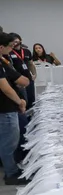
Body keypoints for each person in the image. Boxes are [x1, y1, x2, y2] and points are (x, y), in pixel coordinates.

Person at [0, 33, 27, 184]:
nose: (11, 49)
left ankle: (13, 169)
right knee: (8, 142)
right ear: (1, 47)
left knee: (8, 141)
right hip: (5, 109)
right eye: (10, 46)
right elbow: (5, 88)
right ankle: (11, 174)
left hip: (6, 107)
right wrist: (20, 102)